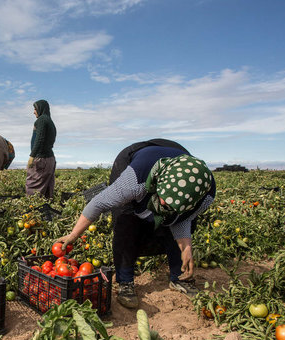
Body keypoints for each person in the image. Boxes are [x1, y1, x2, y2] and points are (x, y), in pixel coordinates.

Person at [56, 139, 216, 309]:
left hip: (178, 163)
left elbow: (182, 218)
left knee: (169, 220)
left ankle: (179, 277)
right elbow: (99, 203)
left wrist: (186, 248)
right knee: (126, 220)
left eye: (172, 204)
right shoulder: (135, 179)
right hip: (138, 161)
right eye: (164, 198)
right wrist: (73, 235)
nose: (163, 204)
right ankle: (125, 281)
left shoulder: (204, 195)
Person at [26, 100, 56, 198]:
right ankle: (46, 210)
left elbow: (40, 139)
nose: (34, 111)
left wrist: (32, 156)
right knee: (47, 189)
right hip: (50, 158)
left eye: (35, 109)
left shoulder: (42, 120)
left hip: (41, 159)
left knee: (33, 188)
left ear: (40, 109)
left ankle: (32, 210)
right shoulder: (50, 121)